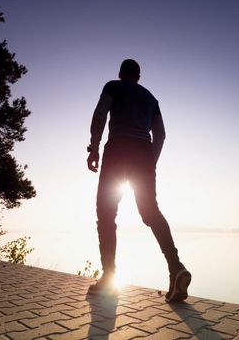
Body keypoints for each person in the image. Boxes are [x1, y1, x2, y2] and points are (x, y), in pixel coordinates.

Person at [86, 59, 191, 302]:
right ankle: (175, 267)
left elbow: (100, 113)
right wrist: (150, 161)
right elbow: (161, 135)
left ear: (121, 73)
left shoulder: (113, 86)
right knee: (150, 211)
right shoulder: (151, 99)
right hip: (144, 151)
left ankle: (109, 279)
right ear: (139, 77)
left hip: (118, 148)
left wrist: (94, 147)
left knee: (106, 211)